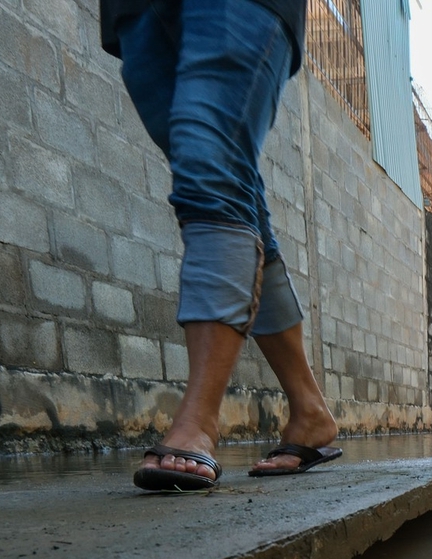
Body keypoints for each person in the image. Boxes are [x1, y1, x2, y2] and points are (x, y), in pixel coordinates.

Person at [100, 0, 343, 491]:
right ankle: (310, 411)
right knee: (229, 185)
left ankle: (198, 423)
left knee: (209, 172)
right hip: (134, 9)